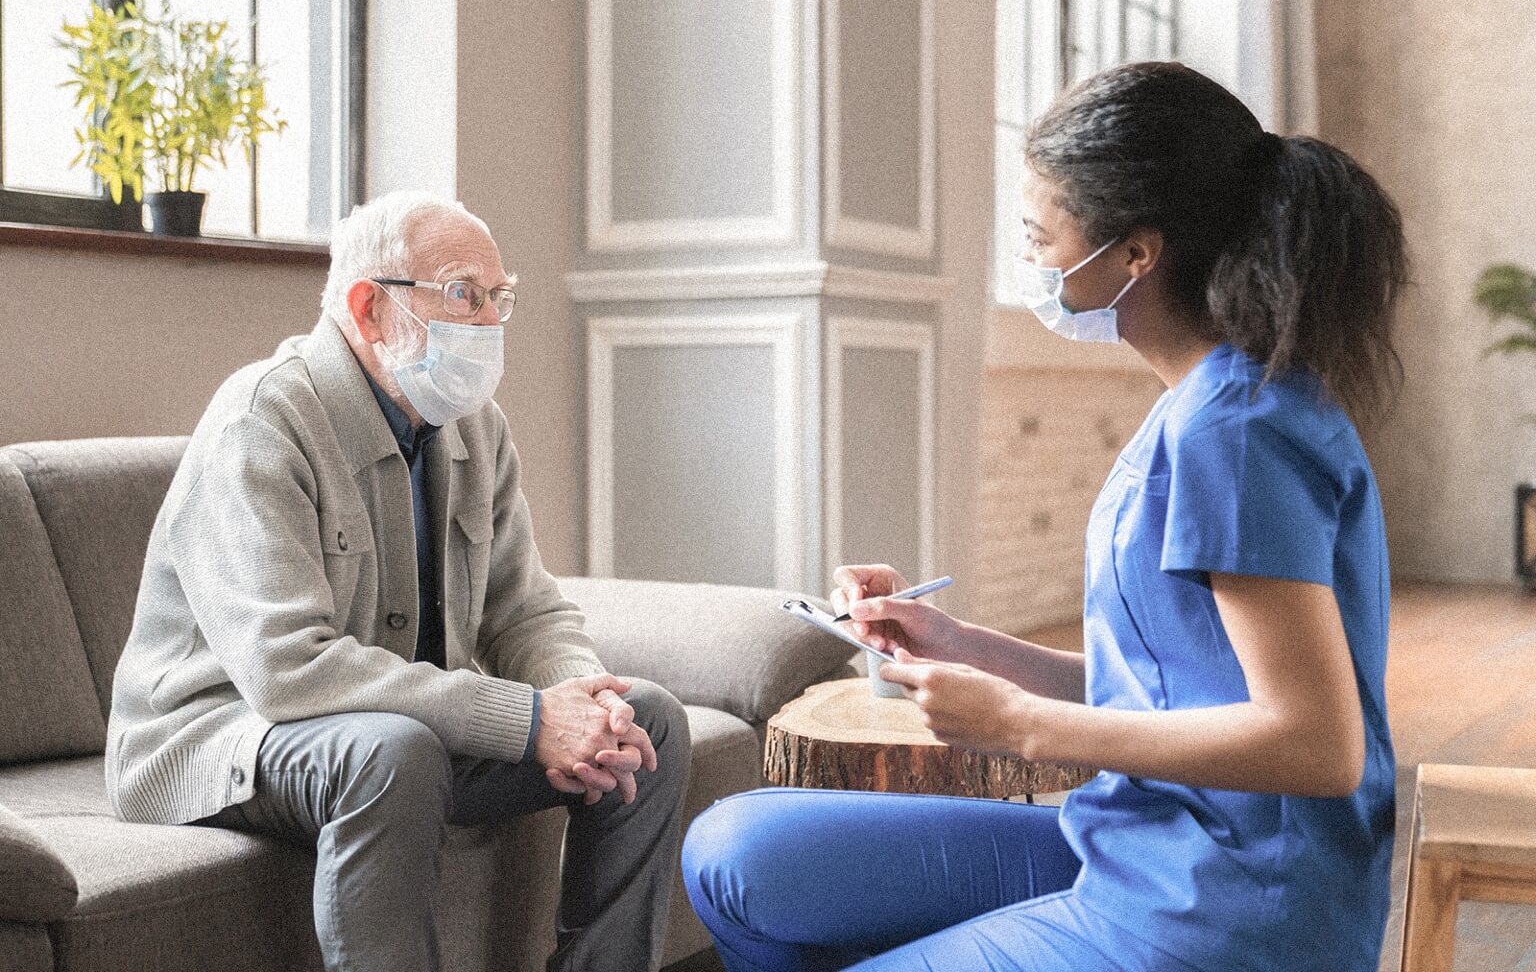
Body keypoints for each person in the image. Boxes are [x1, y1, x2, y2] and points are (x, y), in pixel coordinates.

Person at [682, 61, 1406, 972]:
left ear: (1136, 253)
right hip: (1136, 842)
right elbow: (1167, 683)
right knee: (733, 853)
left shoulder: (1239, 429)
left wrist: (1019, 723)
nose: (1032, 262)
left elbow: (1317, 744)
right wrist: (961, 643)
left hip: (1227, 908)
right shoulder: (1209, 400)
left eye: (1040, 235)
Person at [106, 191, 690, 972]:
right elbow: (287, 669)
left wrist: (587, 701)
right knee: (393, 752)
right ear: (369, 308)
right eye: (462, 295)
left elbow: (524, 610)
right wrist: (525, 721)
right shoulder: (261, 422)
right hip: (222, 736)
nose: (488, 321)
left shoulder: (474, 425)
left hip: (399, 725)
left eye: (498, 298)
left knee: (647, 723)